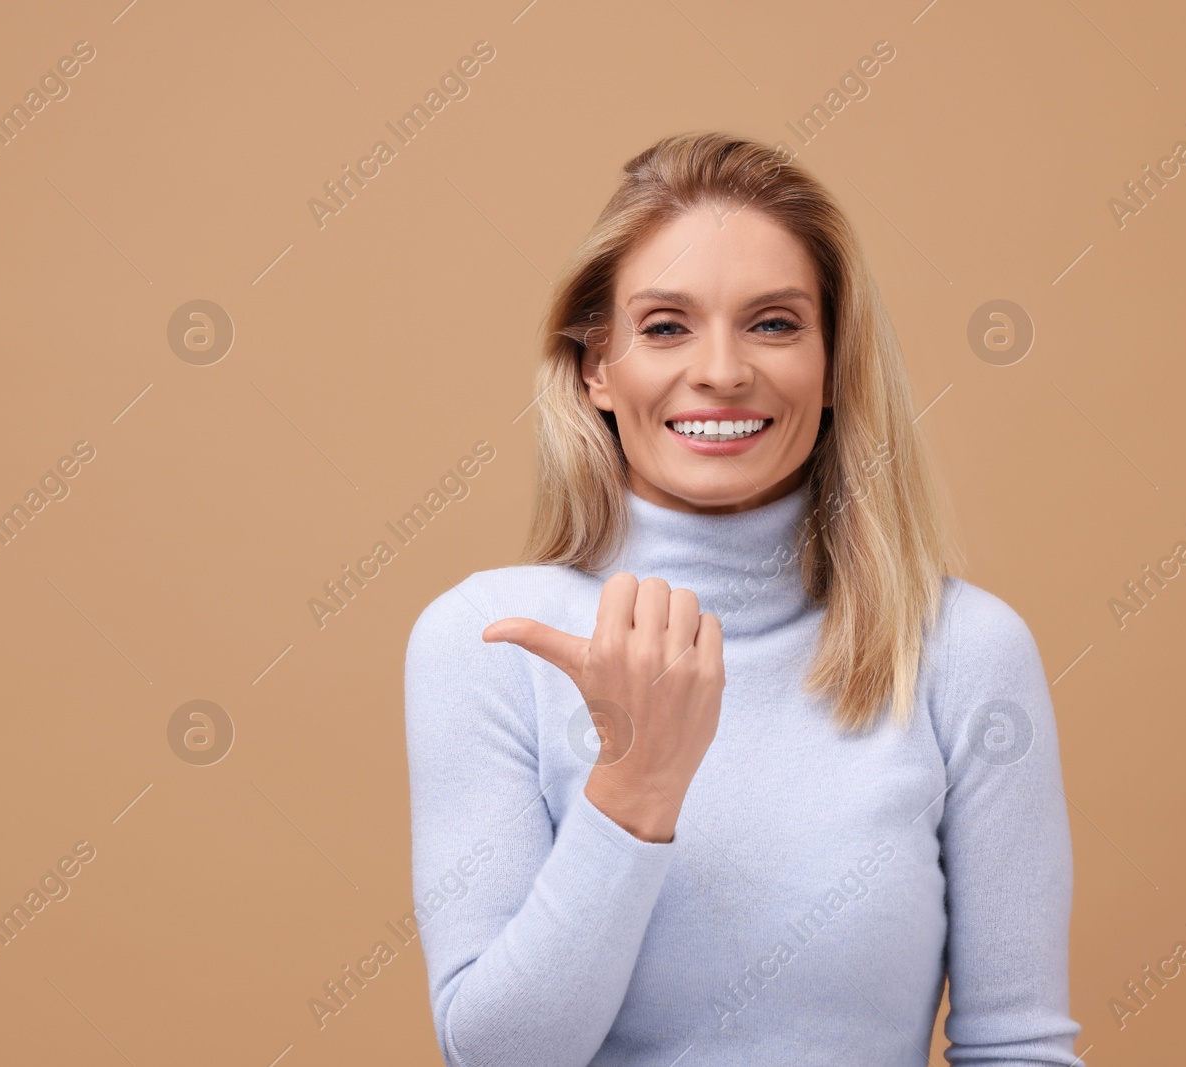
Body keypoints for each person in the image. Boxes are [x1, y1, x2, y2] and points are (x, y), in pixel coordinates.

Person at [403, 131, 1080, 1066]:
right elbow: (496, 1054)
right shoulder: (488, 641)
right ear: (597, 367)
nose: (722, 371)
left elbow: (1019, 1046)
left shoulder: (963, 648)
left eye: (772, 323)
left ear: (835, 362)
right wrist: (636, 786)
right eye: (666, 326)